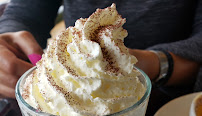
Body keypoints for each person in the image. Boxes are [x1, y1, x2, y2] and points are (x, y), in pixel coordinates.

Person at [0, 0, 201, 98]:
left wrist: (147, 64)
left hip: (173, 102)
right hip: (73, 95)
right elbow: (25, 13)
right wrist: (8, 40)